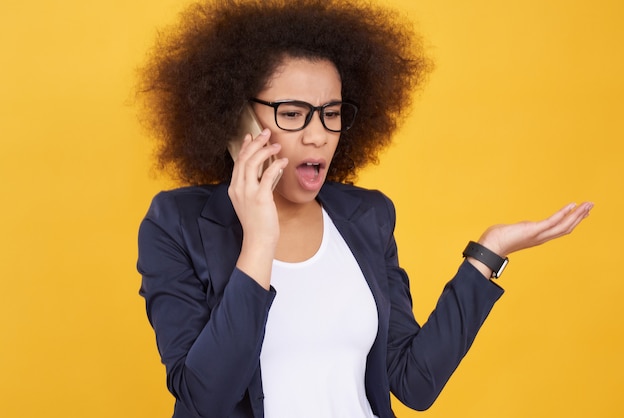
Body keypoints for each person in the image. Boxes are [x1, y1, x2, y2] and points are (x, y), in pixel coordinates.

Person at [135, 1, 593, 417]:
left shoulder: (367, 216)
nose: (318, 136)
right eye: (292, 113)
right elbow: (206, 399)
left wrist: (487, 254)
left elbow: (414, 382)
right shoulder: (177, 224)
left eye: (331, 113)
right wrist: (258, 240)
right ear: (237, 120)